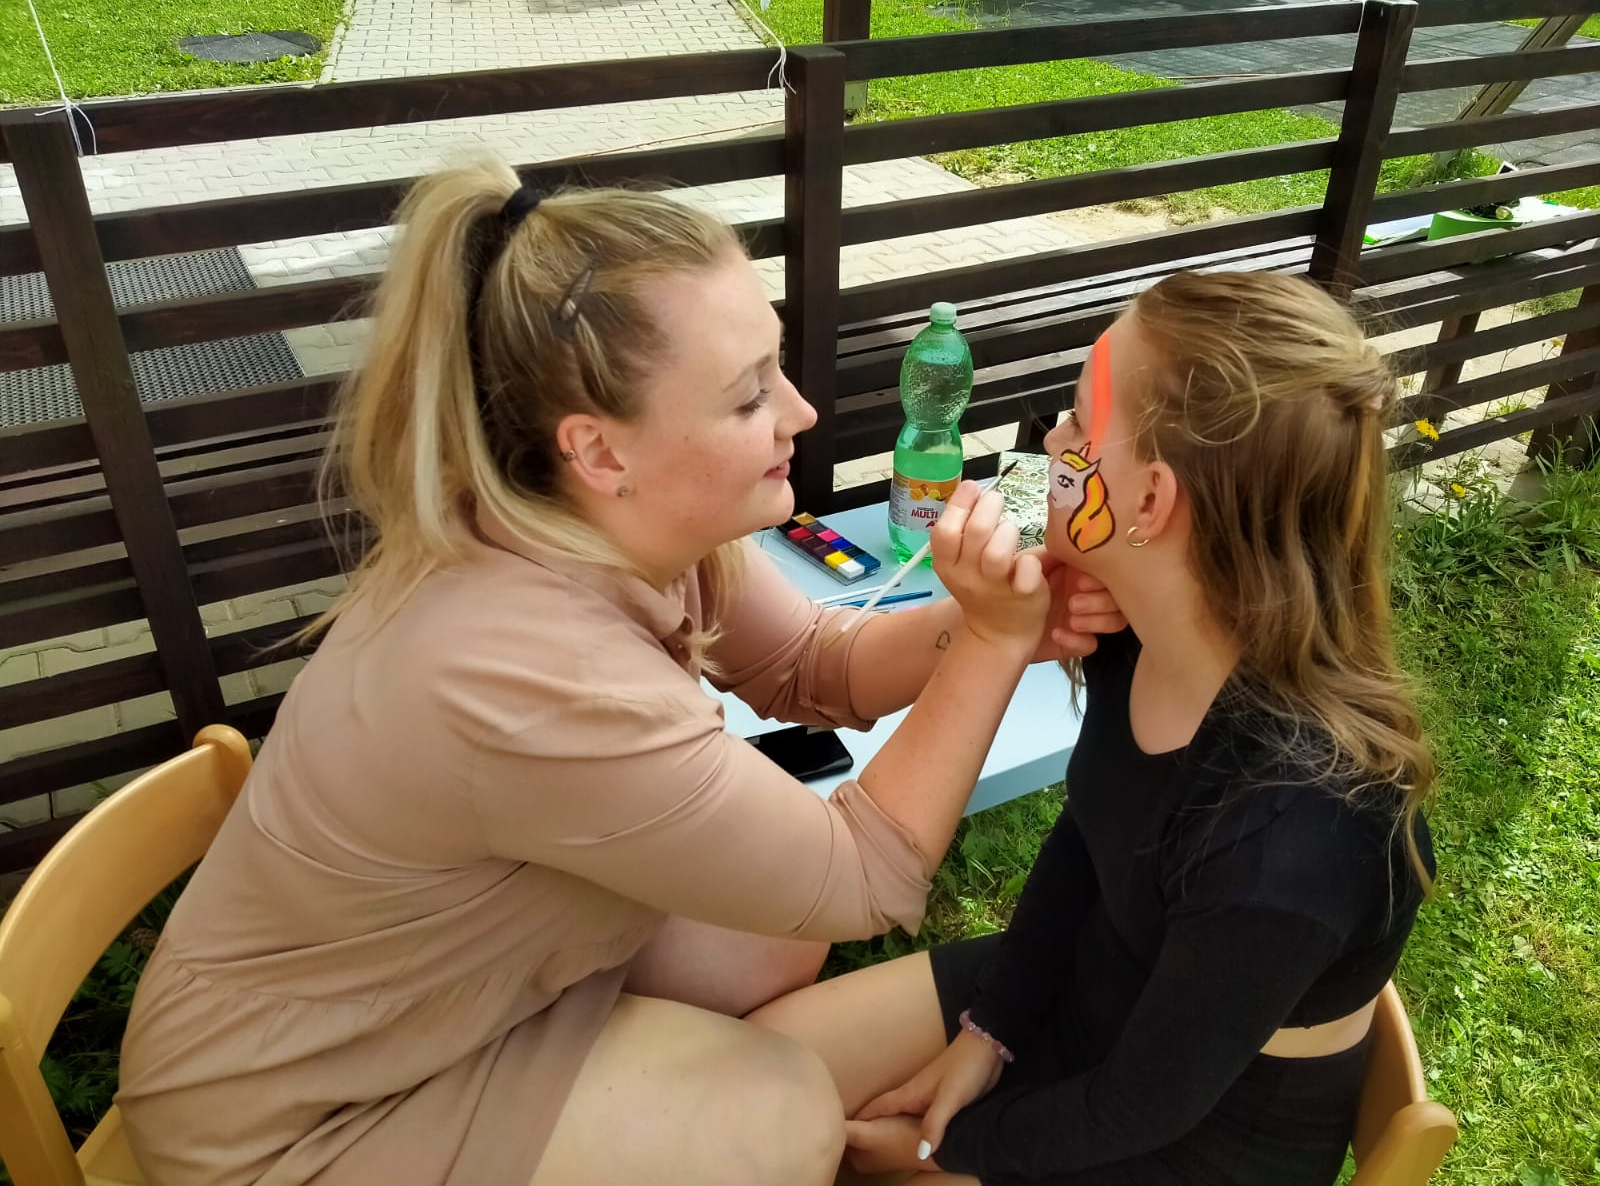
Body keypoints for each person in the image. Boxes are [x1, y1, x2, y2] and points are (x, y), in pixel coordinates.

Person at [113, 160, 1122, 1186]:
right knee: (782, 1117)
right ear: (599, 450)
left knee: (762, 943)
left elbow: (814, 665)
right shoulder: (529, 672)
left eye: (775, 368)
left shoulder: (598, 522)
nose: (800, 411)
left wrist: (987, 621)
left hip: (436, 990)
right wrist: (991, 646)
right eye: (748, 397)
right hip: (292, 1118)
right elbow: (864, 876)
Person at [751, 270, 1438, 1186]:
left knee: (815, 1154)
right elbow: (1092, 835)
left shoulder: (1293, 832)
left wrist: (939, 1149)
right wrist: (991, 1030)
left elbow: (1141, 1107)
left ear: (1149, 502)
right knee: (755, 1079)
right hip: (1091, 989)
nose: (1053, 441)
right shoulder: (1143, 635)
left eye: (1077, 423)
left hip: (1188, 1141)